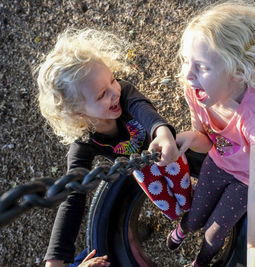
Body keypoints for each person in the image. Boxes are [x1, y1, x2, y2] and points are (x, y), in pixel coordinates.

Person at [36, 28, 192, 267]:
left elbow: (142, 108)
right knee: (168, 207)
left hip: (161, 151)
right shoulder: (83, 142)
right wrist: (55, 258)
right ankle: (178, 221)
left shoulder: (124, 92)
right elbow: (73, 195)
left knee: (185, 194)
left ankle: (194, 213)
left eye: (112, 80)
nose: (114, 92)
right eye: (101, 95)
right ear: (78, 112)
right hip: (141, 171)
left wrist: (161, 131)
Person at [166, 1, 255, 266]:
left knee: (214, 233)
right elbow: (206, 139)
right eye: (186, 61)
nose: (187, 74)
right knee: (195, 214)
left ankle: (201, 261)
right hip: (218, 162)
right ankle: (183, 230)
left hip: (246, 179)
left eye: (202, 67)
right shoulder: (195, 92)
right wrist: (189, 138)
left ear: (238, 72)